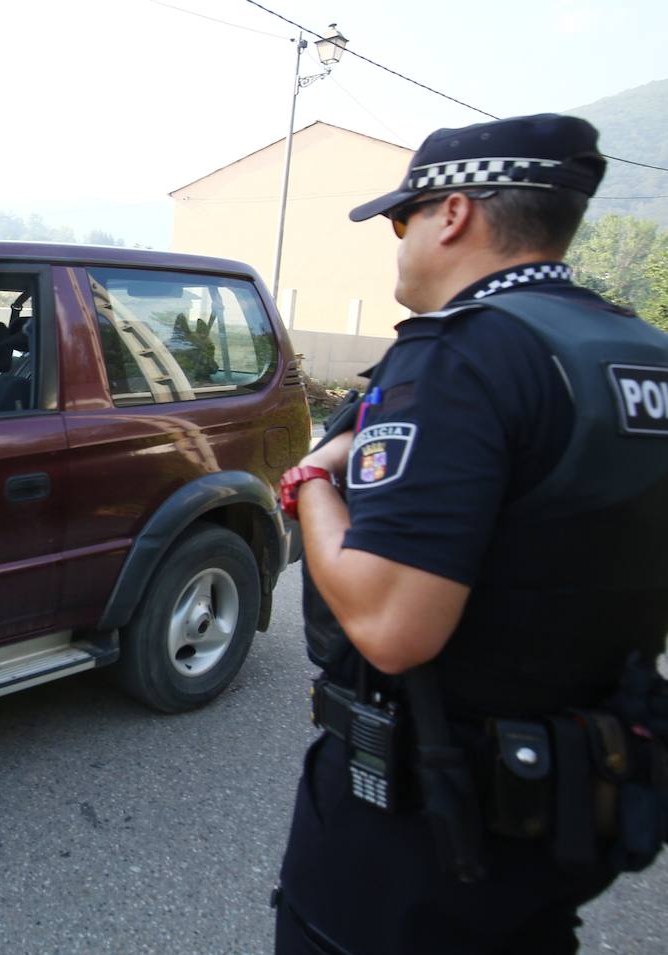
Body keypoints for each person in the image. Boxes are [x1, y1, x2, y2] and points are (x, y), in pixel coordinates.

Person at [273, 113, 668, 954]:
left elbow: (391, 626)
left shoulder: (462, 356)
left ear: (453, 214)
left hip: (426, 828)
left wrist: (311, 479)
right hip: (570, 802)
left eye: (400, 218)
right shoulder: (636, 351)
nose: (398, 241)